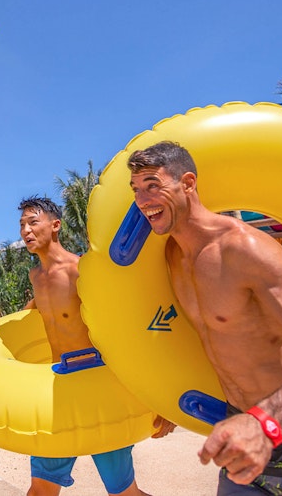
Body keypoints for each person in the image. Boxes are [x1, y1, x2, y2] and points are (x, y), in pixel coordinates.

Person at [126, 141, 282, 495]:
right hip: (243, 432)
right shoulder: (171, 257)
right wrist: (168, 396)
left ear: (188, 183)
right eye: (136, 190)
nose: (142, 200)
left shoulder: (242, 248)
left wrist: (265, 425)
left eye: (153, 185)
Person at [18, 196, 175, 496]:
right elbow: (40, 309)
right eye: (22, 225)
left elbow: (127, 330)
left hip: (98, 389)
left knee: (124, 493)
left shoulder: (81, 270)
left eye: (33, 222)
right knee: (40, 490)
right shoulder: (35, 276)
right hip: (60, 391)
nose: (26, 230)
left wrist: (161, 397)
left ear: (55, 225)